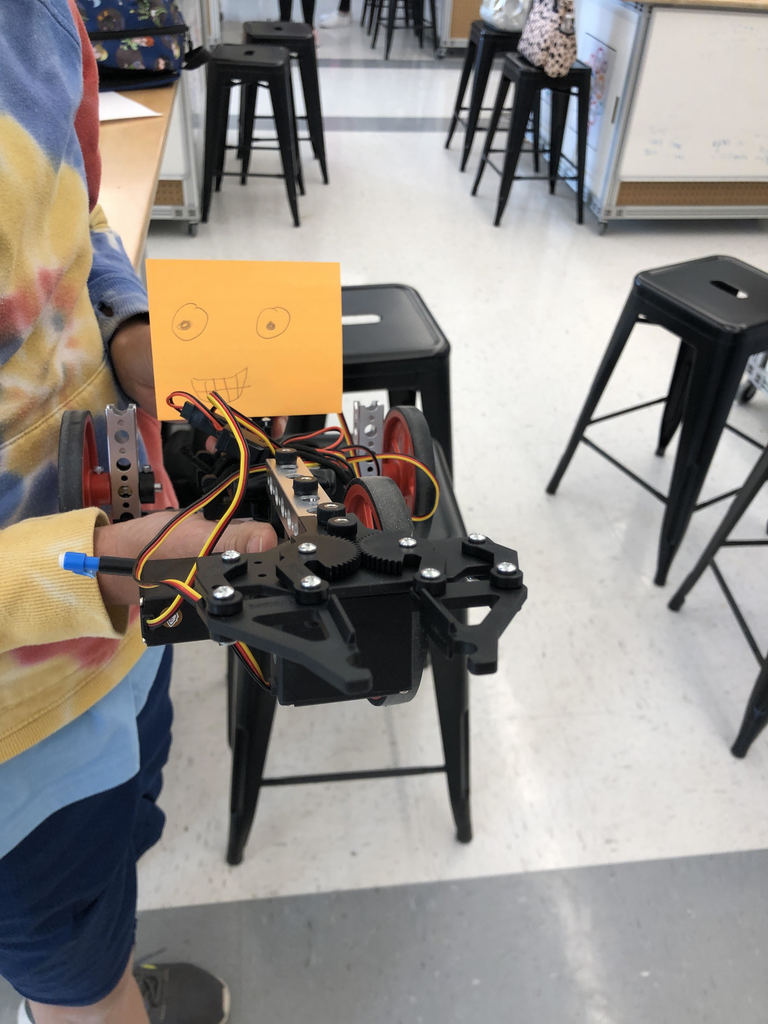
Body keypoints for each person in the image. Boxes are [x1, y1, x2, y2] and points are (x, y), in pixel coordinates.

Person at [0, 3, 280, 1023]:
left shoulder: (42, 13)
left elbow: (77, 212)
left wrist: (128, 322)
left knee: (114, 855)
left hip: (126, 607)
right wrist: (91, 565)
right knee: (71, 970)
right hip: (18, 726)